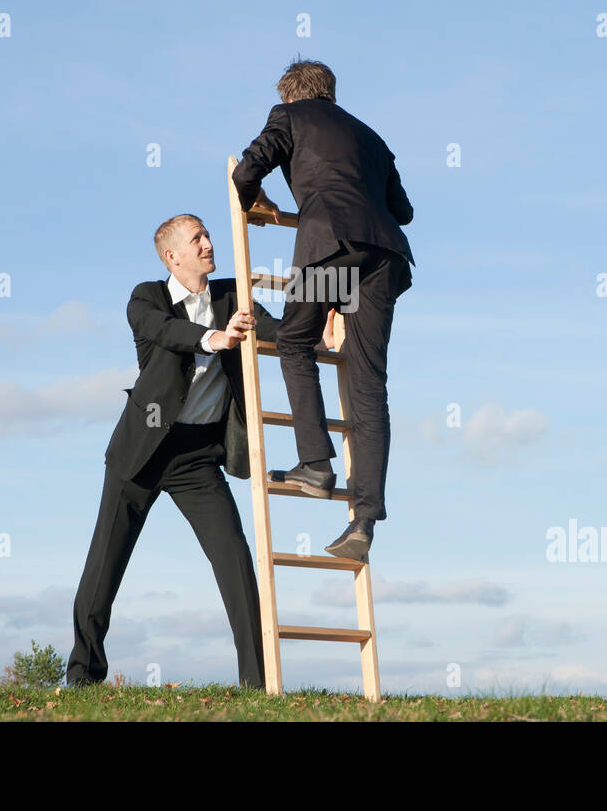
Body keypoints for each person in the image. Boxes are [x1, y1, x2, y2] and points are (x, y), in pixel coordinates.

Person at [66, 214, 283, 689]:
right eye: (197, 238)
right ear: (173, 256)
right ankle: (82, 675)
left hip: (197, 456)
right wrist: (214, 337)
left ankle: (259, 683)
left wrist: (321, 337)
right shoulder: (147, 297)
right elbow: (164, 331)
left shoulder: (230, 295)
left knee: (234, 559)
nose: (208, 243)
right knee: (106, 564)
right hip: (141, 452)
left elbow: (275, 331)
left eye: (207, 235)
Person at [231, 58, 414, 561]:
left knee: (292, 342)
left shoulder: (289, 116)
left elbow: (246, 170)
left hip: (331, 246)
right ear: (331, 93)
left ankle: (315, 463)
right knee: (369, 384)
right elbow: (404, 212)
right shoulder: (372, 137)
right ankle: (364, 519)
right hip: (384, 257)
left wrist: (256, 199)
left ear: (291, 95)